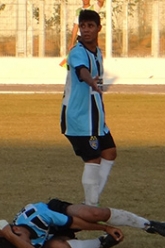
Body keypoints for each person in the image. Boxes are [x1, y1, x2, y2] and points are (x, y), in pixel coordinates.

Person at [0, 198, 165, 248]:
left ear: (16, 228)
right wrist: (11, 236)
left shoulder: (36, 215)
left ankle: (147, 224)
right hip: (53, 234)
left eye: (21, 241)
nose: (27, 245)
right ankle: (102, 243)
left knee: (93, 215)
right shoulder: (17, 239)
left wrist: (105, 227)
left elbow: (75, 223)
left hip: (57, 212)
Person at [61, 9, 114, 207]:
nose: (86, 30)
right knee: (93, 159)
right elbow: (82, 71)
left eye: (90, 26)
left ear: (98, 28)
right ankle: (91, 206)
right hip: (78, 118)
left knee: (109, 152)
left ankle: (90, 203)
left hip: (96, 119)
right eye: (82, 26)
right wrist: (90, 81)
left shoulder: (98, 52)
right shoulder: (77, 52)